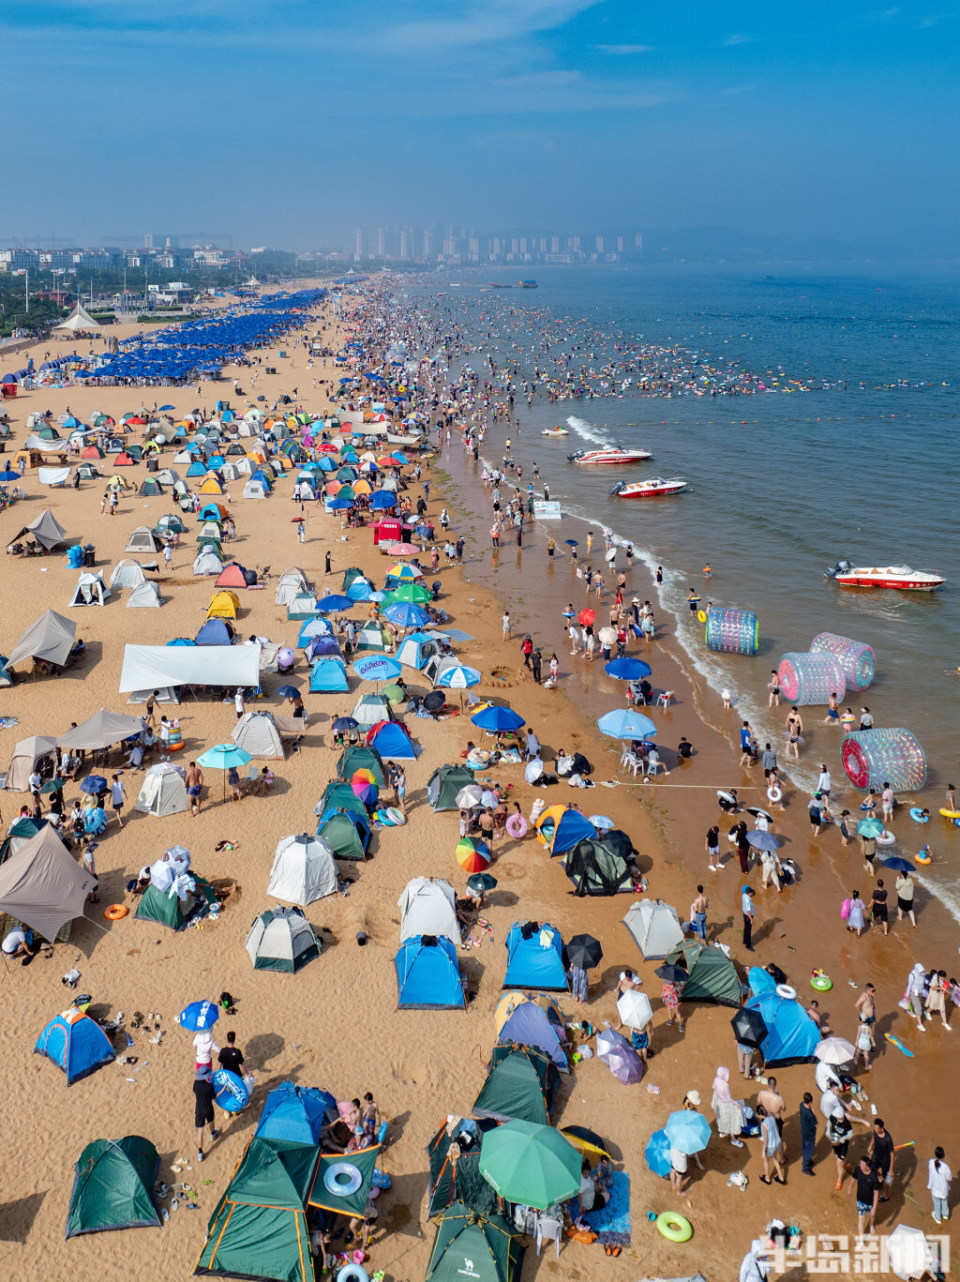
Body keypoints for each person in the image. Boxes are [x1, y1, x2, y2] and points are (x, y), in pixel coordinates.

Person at [711, 1067, 745, 1147]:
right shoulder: (726, 1085)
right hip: (726, 1104)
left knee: (721, 1117)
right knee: (732, 1121)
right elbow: (729, 1099)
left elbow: (714, 1087)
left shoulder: (716, 1079)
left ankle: (723, 1132)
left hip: (718, 1102)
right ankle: (733, 1139)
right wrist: (736, 1104)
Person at [849, 1155, 880, 1236]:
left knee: (872, 1217)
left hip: (870, 1203)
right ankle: (861, 1240)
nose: (860, 1165)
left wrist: (874, 1208)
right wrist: (849, 1188)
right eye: (860, 1163)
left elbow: (876, 1194)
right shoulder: (858, 1169)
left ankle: (871, 1225)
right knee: (861, 1220)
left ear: (867, 1167)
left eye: (863, 1164)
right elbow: (853, 1178)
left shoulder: (873, 1178)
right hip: (860, 1201)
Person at [194, 1066, 219, 1162]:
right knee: (211, 1121)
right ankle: (213, 1134)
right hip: (208, 1108)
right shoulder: (209, 1087)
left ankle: (200, 1152)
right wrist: (222, 1090)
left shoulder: (195, 1084)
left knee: (200, 1131)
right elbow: (214, 1097)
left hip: (199, 1109)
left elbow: (195, 1092)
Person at [756, 1104, 786, 1185]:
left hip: (770, 1146)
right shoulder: (771, 1117)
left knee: (766, 1160)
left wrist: (763, 1151)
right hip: (777, 1142)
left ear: (760, 1115)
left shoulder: (763, 1125)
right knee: (775, 1158)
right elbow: (777, 1128)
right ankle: (781, 1177)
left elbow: (766, 1139)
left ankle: (767, 1178)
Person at [868, 1118, 894, 1200]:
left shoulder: (888, 1139)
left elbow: (892, 1155)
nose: (875, 1130)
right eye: (874, 1129)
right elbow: (873, 1138)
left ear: (882, 1129)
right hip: (876, 1156)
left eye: (877, 1129)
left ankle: (886, 1195)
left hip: (885, 1160)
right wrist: (870, 1146)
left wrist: (891, 1169)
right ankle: (879, 1178)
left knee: (886, 1179)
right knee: (871, 1169)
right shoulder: (876, 1132)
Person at [928, 1147, 952, 1224]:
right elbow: (949, 1178)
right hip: (943, 1189)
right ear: (943, 1155)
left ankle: (938, 1218)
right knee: (944, 1201)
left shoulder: (931, 1162)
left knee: (937, 1203)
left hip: (934, 1188)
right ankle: (945, 1215)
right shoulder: (946, 1167)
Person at [800, 1092, 818, 1176]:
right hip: (810, 1134)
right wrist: (814, 1113)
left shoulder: (801, 1105)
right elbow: (816, 1124)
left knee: (805, 1147)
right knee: (809, 1150)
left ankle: (806, 1161)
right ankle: (805, 1167)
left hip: (804, 1131)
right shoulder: (810, 1114)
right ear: (810, 1102)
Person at [742, 884, 756, 951]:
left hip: (744, 915)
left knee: (746, 928)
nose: (752, 893)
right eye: (751, 893)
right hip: (748, 916)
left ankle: (744, 940)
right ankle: (748, 945)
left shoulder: (743, 895)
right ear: (748, 893)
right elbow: (748, 911)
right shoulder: (747, 900)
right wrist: (751, 919)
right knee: (748, 930)